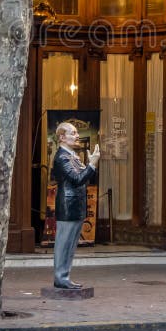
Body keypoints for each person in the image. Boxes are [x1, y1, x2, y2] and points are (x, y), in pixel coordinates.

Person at [51, 122, 100, 289]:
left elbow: (84, 178)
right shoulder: (62, 157)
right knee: (64, 243)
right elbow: (77, 179)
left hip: (75, 205)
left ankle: (64, 276)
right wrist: (92, 164)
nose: (77, 135)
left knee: (70, 244)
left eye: (77, 132)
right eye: (73, 133)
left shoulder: (72, 156)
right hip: (68, 205)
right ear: (62, 137)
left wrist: (90, 166)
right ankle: (61, 277)